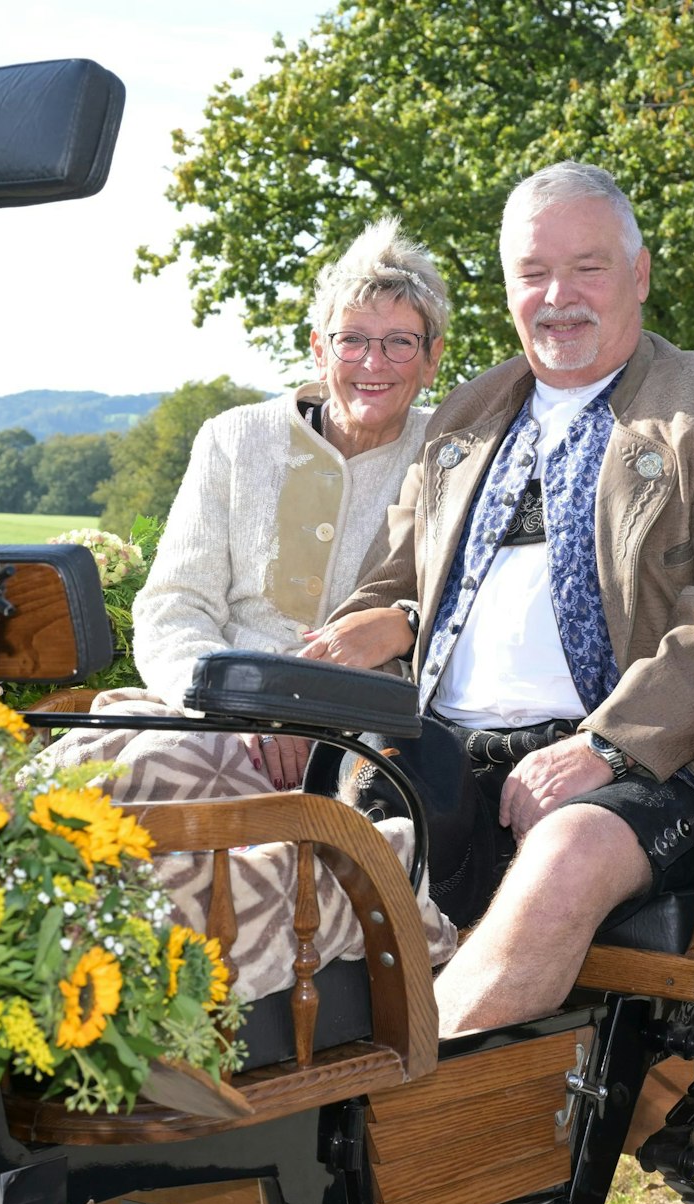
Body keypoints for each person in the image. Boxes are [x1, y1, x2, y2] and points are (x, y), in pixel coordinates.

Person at [315, 162, 694, 1035]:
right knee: (297, 831)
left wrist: (607, 747)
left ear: (639, 274)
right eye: (534, 274)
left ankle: (394, 1111)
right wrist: (322, 667)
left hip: (647, 765)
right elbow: (394, 590)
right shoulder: (465, 415)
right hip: (441, 752)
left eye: (587, 268)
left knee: (569, 851)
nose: (559, 297)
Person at [128, 215, 446, 788]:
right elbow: (173, 607)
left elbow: (466, 612)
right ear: (319, 351)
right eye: (351, 340)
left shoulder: (454, 455)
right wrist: (234, 707)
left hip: (371, 735)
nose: (374, 364)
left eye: (401, 342)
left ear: (432, 359)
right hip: (221, 720)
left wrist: (404, 624)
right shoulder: (234, 438)